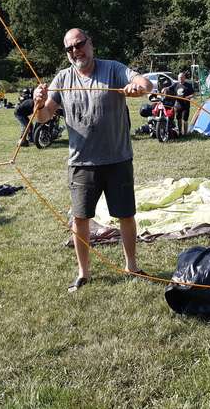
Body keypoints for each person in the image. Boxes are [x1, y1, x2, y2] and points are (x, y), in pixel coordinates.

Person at [33, 28, 152, 293]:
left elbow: (146, 84)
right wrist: (38, 103)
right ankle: (83, 272)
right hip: (81, 162)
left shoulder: (112, 69)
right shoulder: (62, 79)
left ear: (90, 43)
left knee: (125, 215)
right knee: (80, 219)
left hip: (118, 158)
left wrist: (138, 88)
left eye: (80, 44)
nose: (76, 51)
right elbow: (43, 117)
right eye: (70, 48)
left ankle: (131, 265)